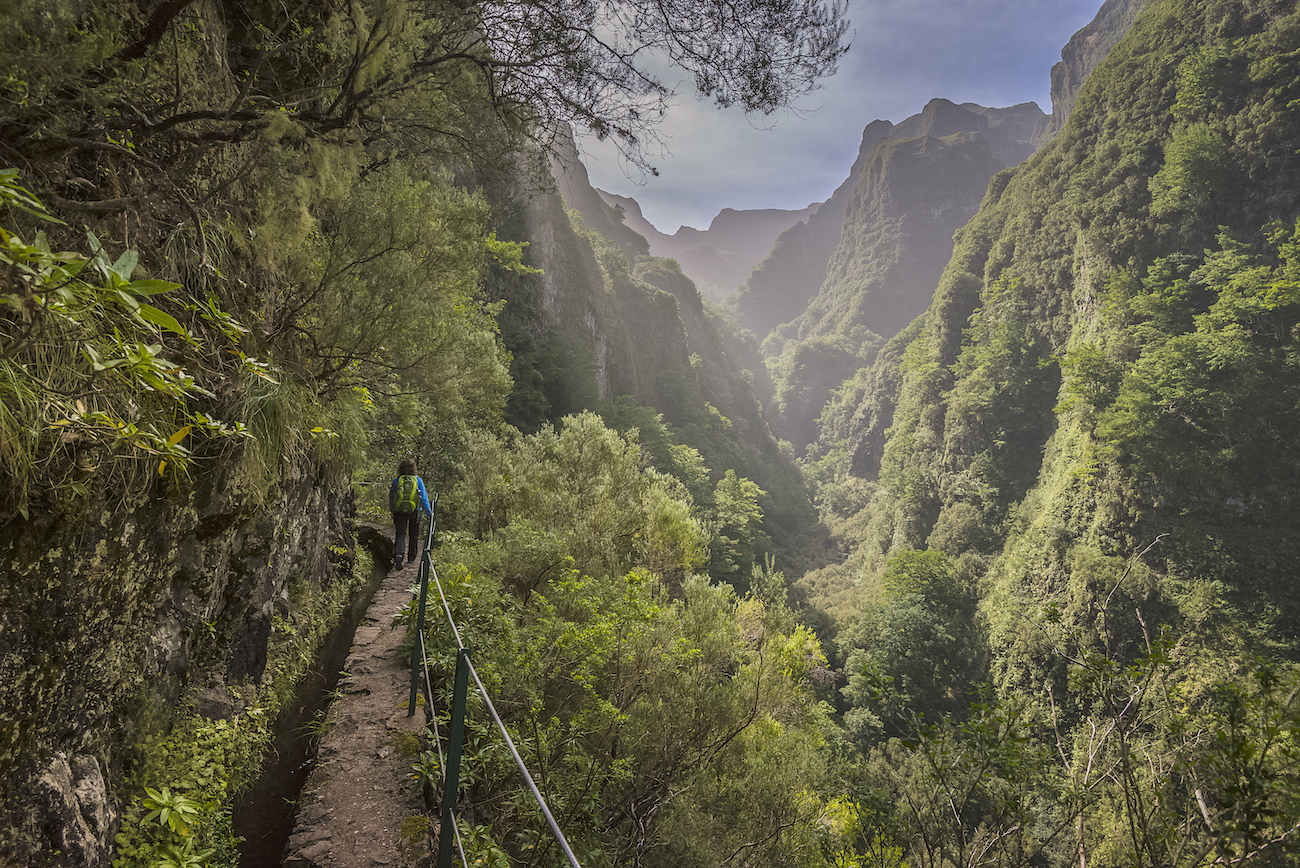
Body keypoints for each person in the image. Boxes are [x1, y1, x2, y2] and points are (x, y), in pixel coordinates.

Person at [388, 458, 431, 571]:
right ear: (414, 469)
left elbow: (391, 496)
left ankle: (399, 555)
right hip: (414, 510)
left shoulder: (397, 480)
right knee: (414, 534)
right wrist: (428, 512)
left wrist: (392, 509)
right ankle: (411, 557)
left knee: (400, 534)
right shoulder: (418, 481)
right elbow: (424, 498)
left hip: (399, 511)